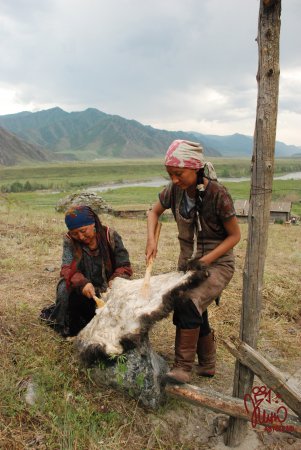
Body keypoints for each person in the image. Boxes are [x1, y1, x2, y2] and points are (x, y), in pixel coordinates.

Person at [146, 140, 241, 383]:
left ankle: (182, 368)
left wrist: (205, 260)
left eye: (178, 174)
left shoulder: (218, 194)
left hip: (218, 263)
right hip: (188, 263)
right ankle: (208, 364)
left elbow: (235, 236)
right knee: (195, 305)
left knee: (188, 301)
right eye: (170, 174)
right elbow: (153, 211)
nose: (175, 180)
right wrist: (151, 240)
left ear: (196, 168)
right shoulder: (175, 190)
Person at [41, 205, 132, 337]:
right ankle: (63, 323)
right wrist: (82, 283)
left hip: (107, 286)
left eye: (83, 231)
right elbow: (67, 269)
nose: (81, 237)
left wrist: (116, 280)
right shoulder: (69, 240)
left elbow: (124, 265)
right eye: (75, 233)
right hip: (81, 287)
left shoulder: (110, 236)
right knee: (64, 289)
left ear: (93, 224)